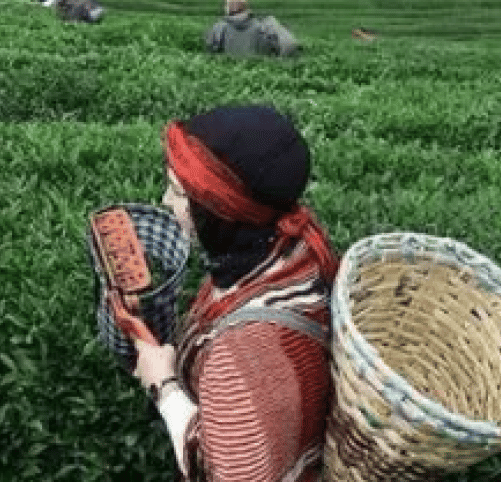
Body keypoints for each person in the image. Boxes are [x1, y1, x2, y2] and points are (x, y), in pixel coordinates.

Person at [117, 104, 339, 481]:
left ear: (220, 210)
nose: (165, 202)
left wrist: (164, 385)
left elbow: (227, 472)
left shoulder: (241, 354)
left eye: (178, 192)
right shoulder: (291, 246)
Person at [206, 0, 300, 57]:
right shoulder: (265, 26)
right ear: (246, 7)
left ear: (228, 8)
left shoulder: (219, 28)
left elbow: (210, 52)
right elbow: (290, 44)